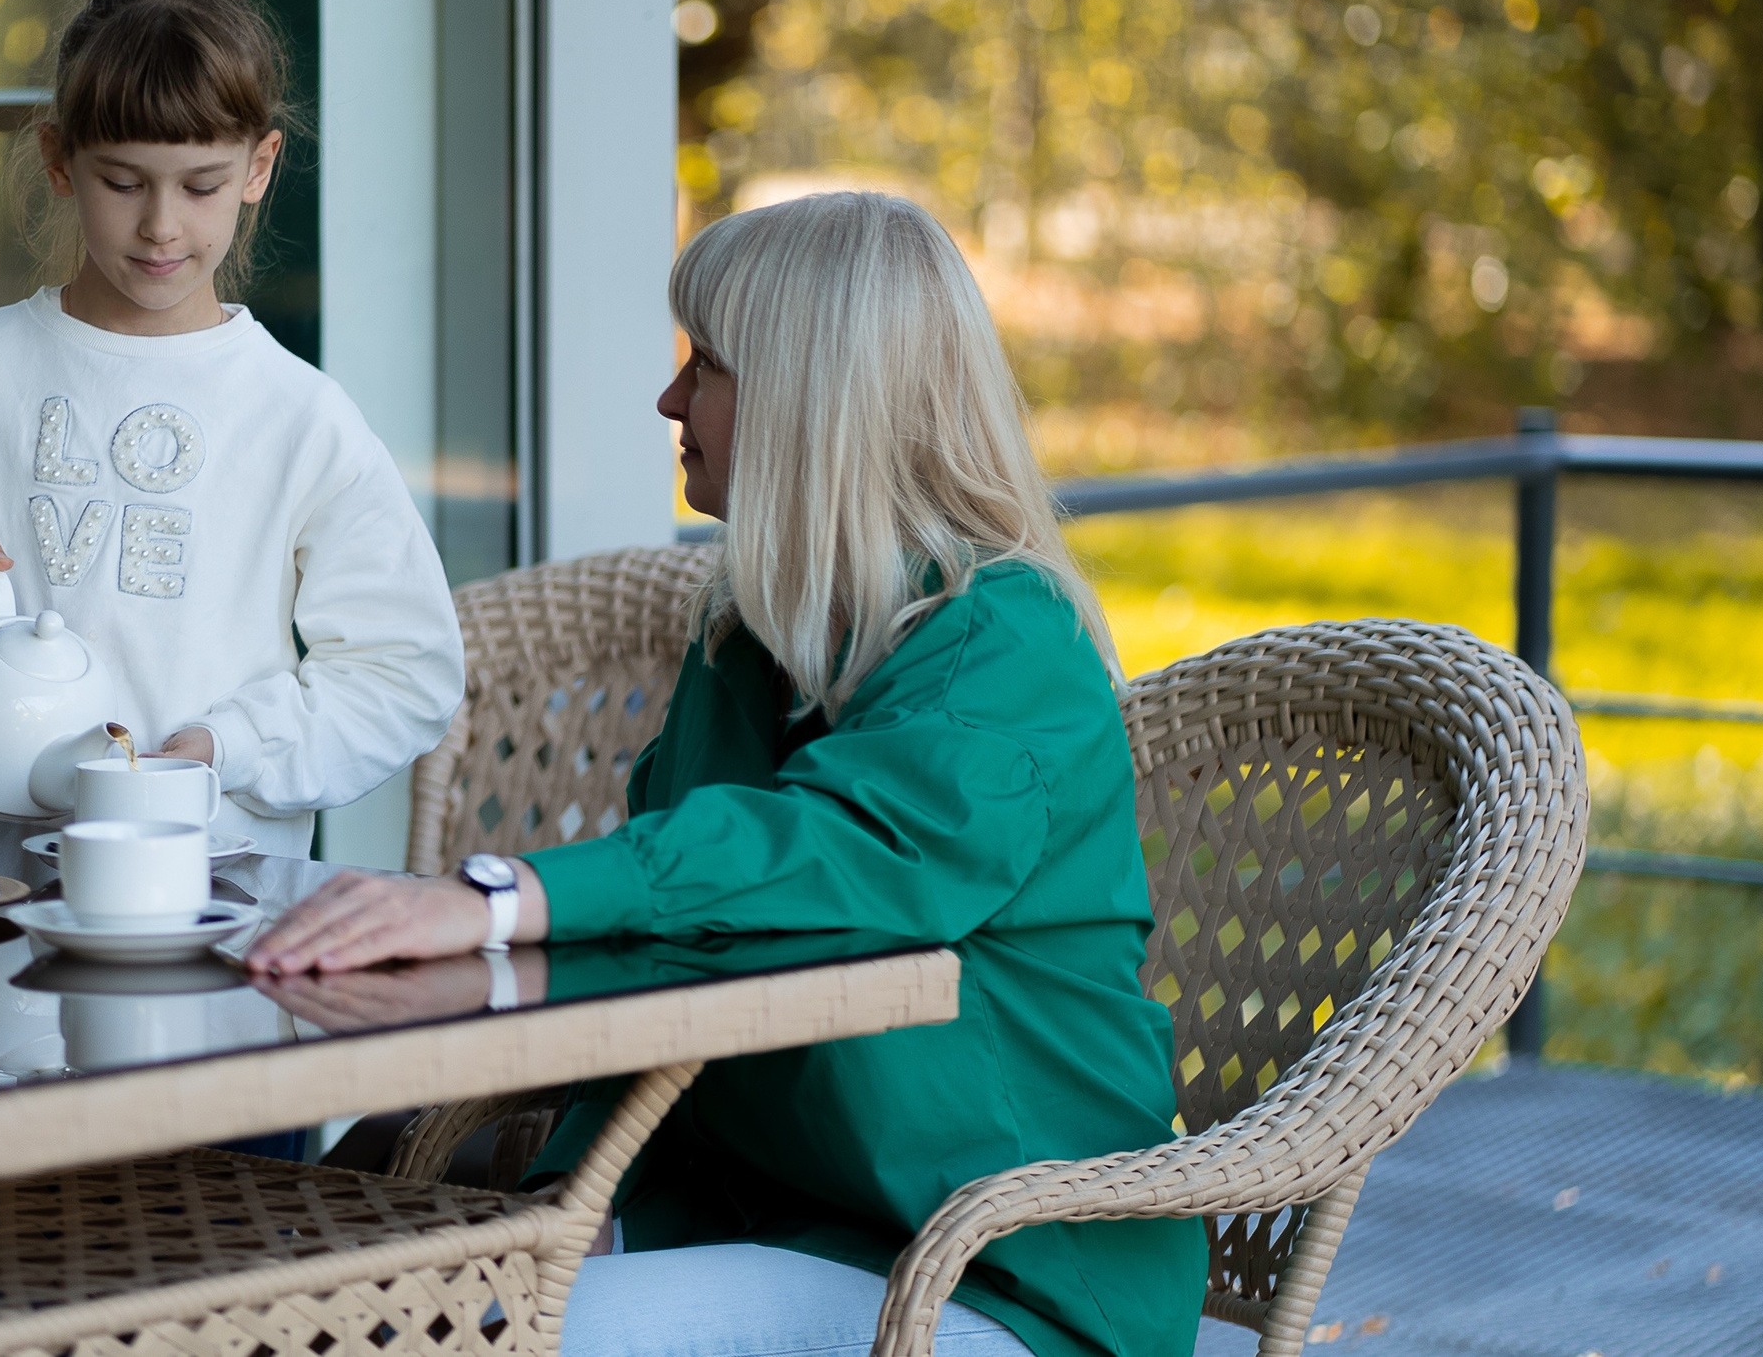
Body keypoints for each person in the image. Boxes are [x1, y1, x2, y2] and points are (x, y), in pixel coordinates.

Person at [247, 191, 1205, 1357]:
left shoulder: (1004, 644)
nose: (668, 398)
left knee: (486, 1336)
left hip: (1005, 1271)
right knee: (354, 1299)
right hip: (792, 1227)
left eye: (706, 364)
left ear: (814, 400)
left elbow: (838, 853)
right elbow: (669, 971)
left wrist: (496, 894)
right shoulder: (748, 642)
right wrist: (573, 1201)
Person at [0, 0, 463, 866]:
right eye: (124, 181)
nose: (160, 226)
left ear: (259, 168)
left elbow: (405, 670)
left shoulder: (299, 415)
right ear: (60, 159)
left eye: (201, 185)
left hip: (213, 897)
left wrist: (226, 750)